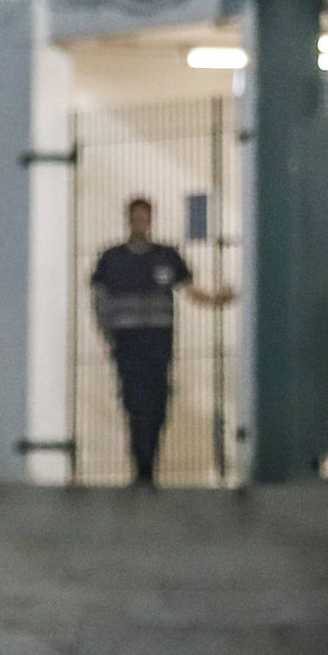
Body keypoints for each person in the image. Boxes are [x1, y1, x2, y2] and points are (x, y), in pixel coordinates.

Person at [89, 196, 235, 489]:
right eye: (136, 217)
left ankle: (149, 465)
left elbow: (190, 290)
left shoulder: (167, 255)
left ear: (151, 219)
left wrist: (216, 299)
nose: (141, 222)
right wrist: (106, 335)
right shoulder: (111, 258)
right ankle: (141, 466)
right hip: (127, 341)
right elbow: (99, 300)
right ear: (128, 219)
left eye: (145, 217)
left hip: (158, 340)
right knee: (133, 402)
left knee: (157, 402)